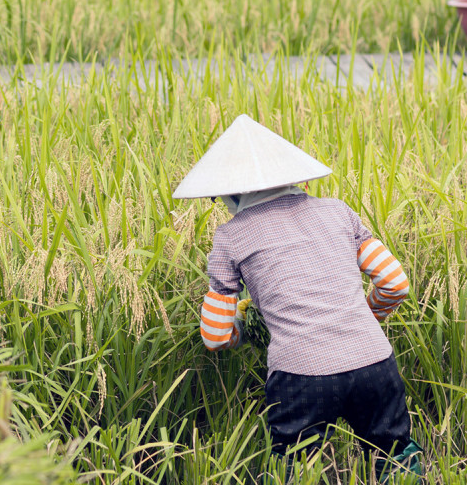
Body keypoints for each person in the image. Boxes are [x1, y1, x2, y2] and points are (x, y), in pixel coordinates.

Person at [173, 114, 423, 482]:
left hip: (301, 376)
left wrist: (249, 328)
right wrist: (365, 319)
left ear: (231, 193)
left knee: (297, 471)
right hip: (374, 363)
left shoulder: (230, 237)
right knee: (396, 462)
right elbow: (395, 284)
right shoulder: (339, 212)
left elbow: (214, 335)